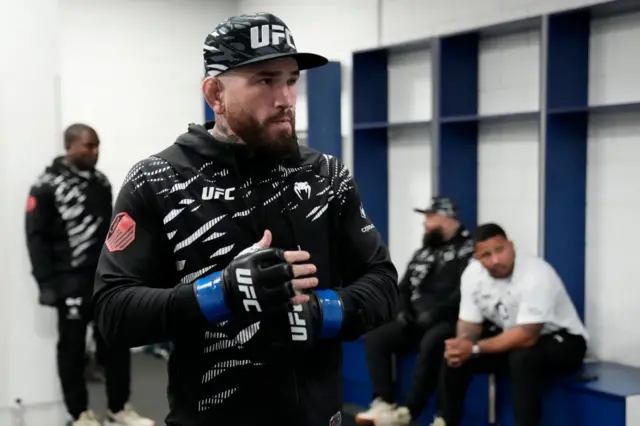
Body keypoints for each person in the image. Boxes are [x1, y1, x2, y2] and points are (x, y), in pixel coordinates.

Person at [92, 12, 398, 426]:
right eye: (265, 80)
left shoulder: (326, 176)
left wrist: (323, 312)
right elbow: (113, 314)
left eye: (291, 80)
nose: (286, 99)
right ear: (215, 93)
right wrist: (221, 293)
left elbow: (382, 284)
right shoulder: (159, 180)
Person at [25, 123, 154, 426]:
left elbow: (113, 231)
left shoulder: (101, 182)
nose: (95, 152)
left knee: (115, 342)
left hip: (103, 279)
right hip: (68, 280)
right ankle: (79, 413)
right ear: (70, 146)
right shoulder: (46, 185)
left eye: (97, 145)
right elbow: (36, 238)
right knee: (72, 349)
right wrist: (45, 283)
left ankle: (118, 408)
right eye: (88, 146)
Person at [435, 223, 588, 426]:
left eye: (500, 250)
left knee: (522, 358)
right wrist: (462, 346)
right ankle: (446, 421)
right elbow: (469, 324)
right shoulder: (472, 275)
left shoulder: (536, 273)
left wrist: (474, 347)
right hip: (515, 337)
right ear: (476, 258)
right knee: (454, 355)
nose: (496, 260)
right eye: (486, 255)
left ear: (511, 246)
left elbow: (527, 335)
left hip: (564, 341)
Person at [356, 197, 474, 426]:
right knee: (376, 336)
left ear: (447, 218)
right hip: (415, 320)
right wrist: (403, 310)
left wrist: (435, 314)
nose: (425, 224)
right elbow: (403, 287)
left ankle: (411, 412)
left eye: (430, 218)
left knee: (434, 339)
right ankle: (383, 402)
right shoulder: (423, 252)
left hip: (449, 321)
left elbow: (465, 291)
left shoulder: (468, 250)